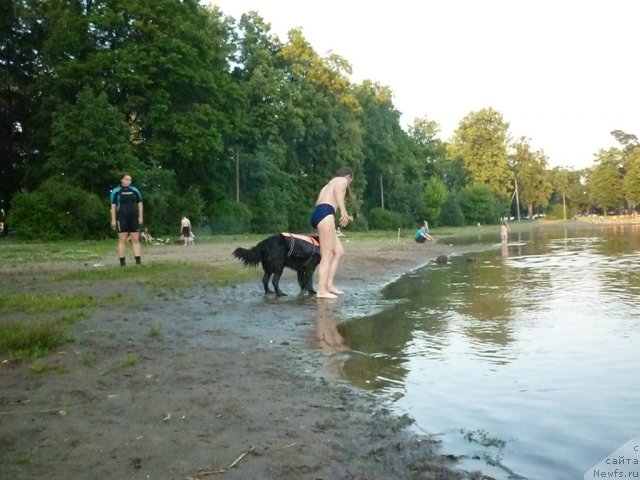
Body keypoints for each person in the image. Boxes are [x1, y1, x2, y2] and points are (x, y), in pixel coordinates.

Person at [310, 167, 353, 299]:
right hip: (325, 214)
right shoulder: (341, 181)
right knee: (327, 255)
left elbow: (322, 201)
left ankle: (328, 285)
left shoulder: (327, 185)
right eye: (351, 180)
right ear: (348, 176)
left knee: (339, 251)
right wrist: (344, 212)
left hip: (319, 214)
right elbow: (339, 194)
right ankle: (321, 290)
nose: (349, 184)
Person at [110, 173, 143, 266]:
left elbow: (140, 203)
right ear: (121, 180)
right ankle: (122, 263)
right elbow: (113, 206)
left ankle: (138, 262)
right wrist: (113, 219)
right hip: (122, 217)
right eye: (126, 179)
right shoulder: (116, 191)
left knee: (135, 239)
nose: (128, 181)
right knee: (122, 240)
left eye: (129, 180)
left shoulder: (135, 190)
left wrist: (140, 216)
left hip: (133, 217)